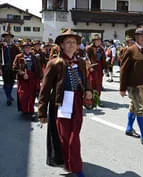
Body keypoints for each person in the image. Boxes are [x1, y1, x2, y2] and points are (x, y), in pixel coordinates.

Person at [38, 29, 92, 177]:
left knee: (75, 134)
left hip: (76, 103)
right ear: (61, 45)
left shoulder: (81, 62)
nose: (71, 45)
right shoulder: (54, 63)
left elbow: (86, 80)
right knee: (68, 136)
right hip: (61, 104)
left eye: (74, 42)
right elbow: (45, 89)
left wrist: (88, 90)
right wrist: (42, 112)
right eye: (68, 42)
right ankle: (76, 167)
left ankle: (71, 162)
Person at [13, 41, 42, 120]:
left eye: (29, 47)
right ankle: (25, 110)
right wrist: (22, 74)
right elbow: (14, 67)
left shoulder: (34, 57)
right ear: (23, 48)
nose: (28, 49)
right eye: (26, 47)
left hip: (32, 79)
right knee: (23, 95)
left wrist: (40, 78)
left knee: (31, 96)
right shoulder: (18, 56)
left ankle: (30, 111)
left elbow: (38, 69)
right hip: (23, 80)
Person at [0, 25, 20, 106]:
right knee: (6, 82)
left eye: (9, 37)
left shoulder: (15, 47)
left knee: (12, 82)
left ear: (11, 38)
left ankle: (9, 94)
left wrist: (18, 67)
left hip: (12, 67)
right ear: (4, 38)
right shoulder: (1, 47)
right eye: (6, 37)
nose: (8, 38)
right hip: (4, 67)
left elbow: (18, 57)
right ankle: (8, 97)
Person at [86, 34, 106, 106]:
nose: (98, 41)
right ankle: (90, 100)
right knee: (91, 84)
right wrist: (89, 67)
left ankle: (98, 99)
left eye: (99, 40)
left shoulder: (101, 48)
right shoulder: (89, 48)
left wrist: (105, 68)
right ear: (93, 41)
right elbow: (86, 59)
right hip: (92, 68)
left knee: (99, 84)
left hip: (99, 68)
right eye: (96, 40)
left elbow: (103, 59)